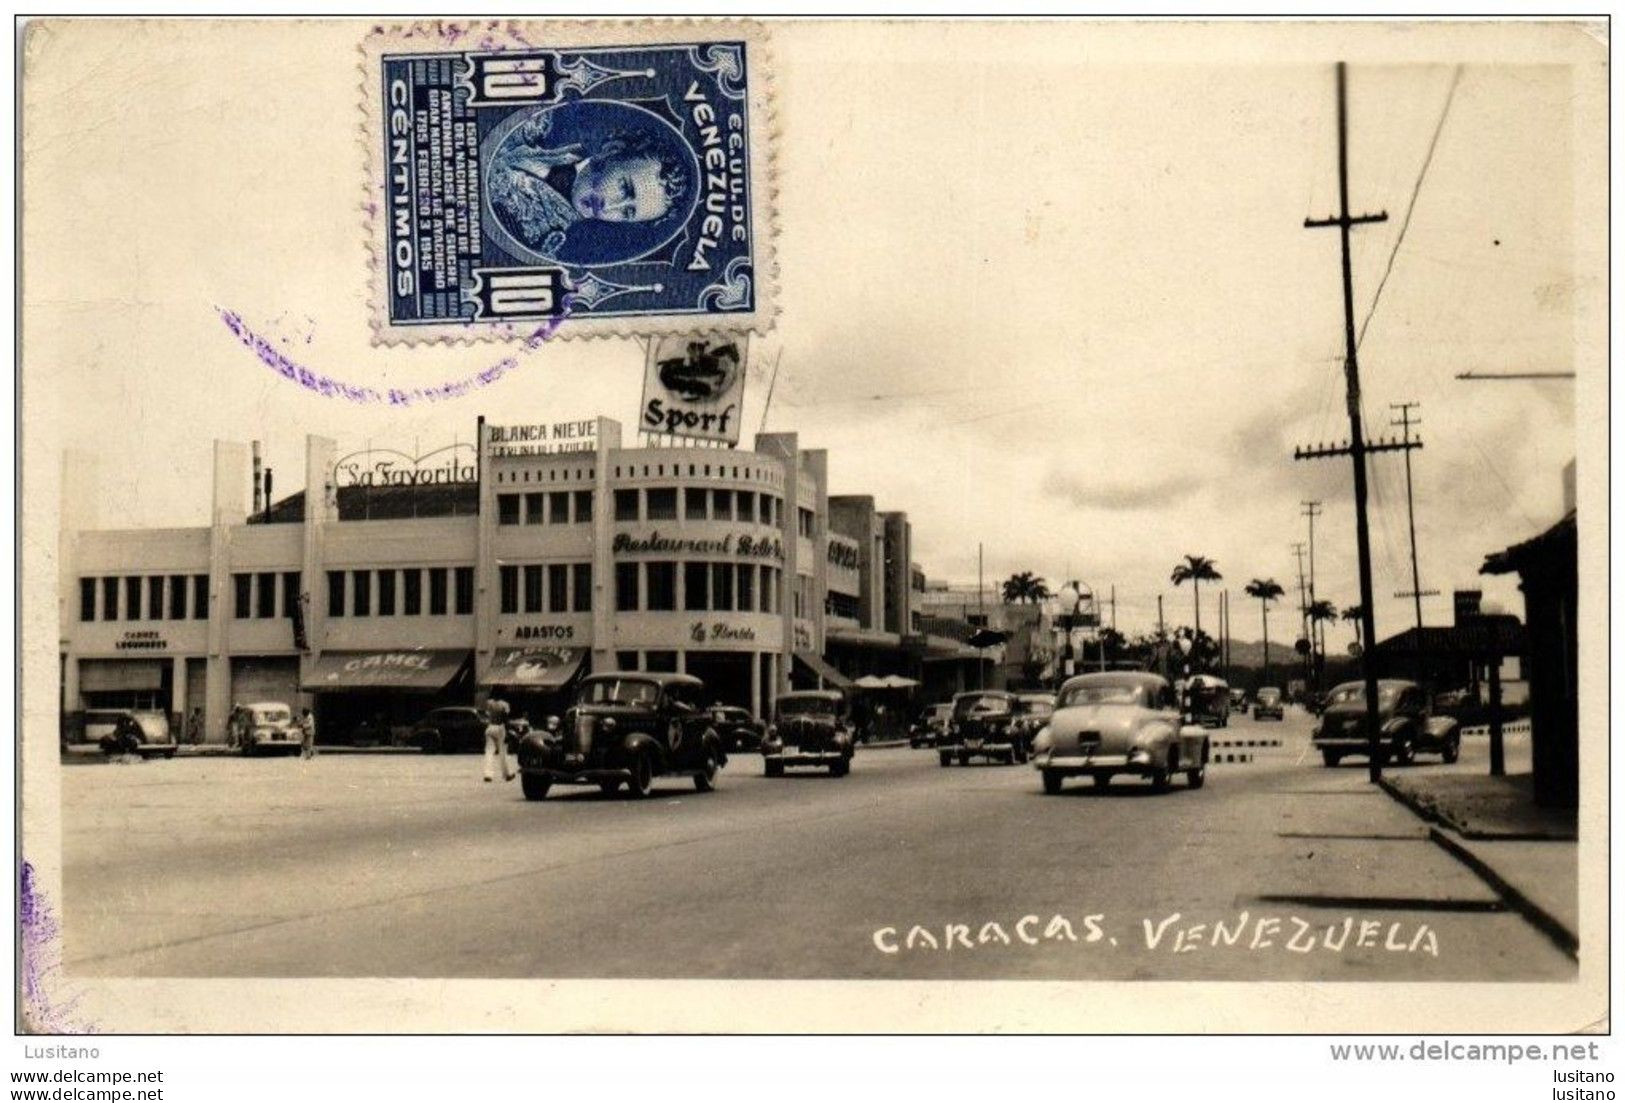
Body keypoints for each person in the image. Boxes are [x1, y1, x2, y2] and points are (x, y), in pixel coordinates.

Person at [487, 120, 688, 255]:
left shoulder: (541, 242)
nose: (609, 207)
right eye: (625, 189)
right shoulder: (543, 124)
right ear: (611, 153)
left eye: (627, 212)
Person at [483, 699, 515, 784]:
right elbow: (506, 718)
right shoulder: (504, 704)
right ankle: (507, 774)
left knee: (489, 753)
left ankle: (488, 775)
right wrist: (508, 731)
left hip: (490, 727)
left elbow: (487, 715)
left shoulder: (489, 703)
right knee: (503, 753)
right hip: (500, 728)